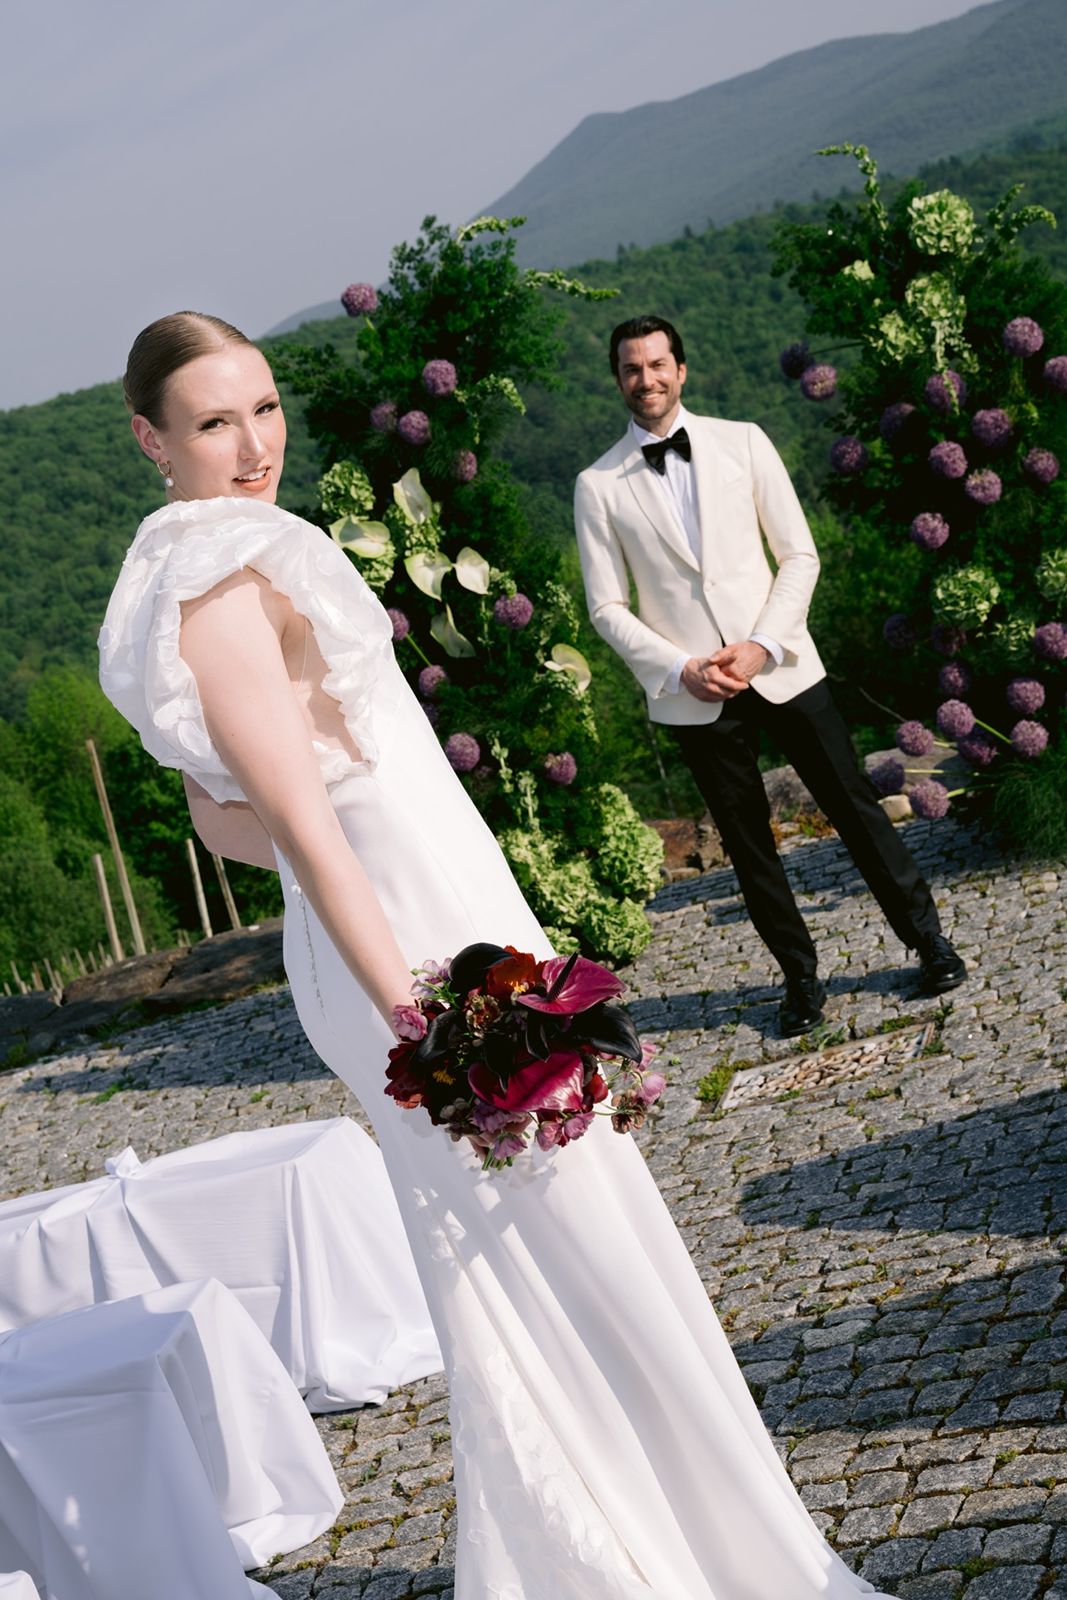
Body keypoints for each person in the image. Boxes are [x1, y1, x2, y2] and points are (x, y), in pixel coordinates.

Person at [100, 310, 903, 1600]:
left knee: (580, 1242)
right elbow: (291, 832)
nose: (253, 443)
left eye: (263, 407)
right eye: (212, 422)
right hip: (420, 966)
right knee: (563, 1252)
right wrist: (436, 1020)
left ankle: (682, 1542)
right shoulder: (216, 591)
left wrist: (375, 822)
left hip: (442, 924)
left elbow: (224, 814)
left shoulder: (244, 558)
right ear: (152, 441)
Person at [574, 315, 966, 1038]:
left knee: (853, 807)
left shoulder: (743, 441)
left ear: (680, 369)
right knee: (747, 843)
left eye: (657, 364)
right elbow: (604, 607)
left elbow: (799, 557)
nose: (645, 379)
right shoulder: (596, 485)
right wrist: (679, 667)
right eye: (631, 368)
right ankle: (800, 980)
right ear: (617, 379)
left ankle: (926, 941)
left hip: (780, 663)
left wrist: (759, 643)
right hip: (693, 694)